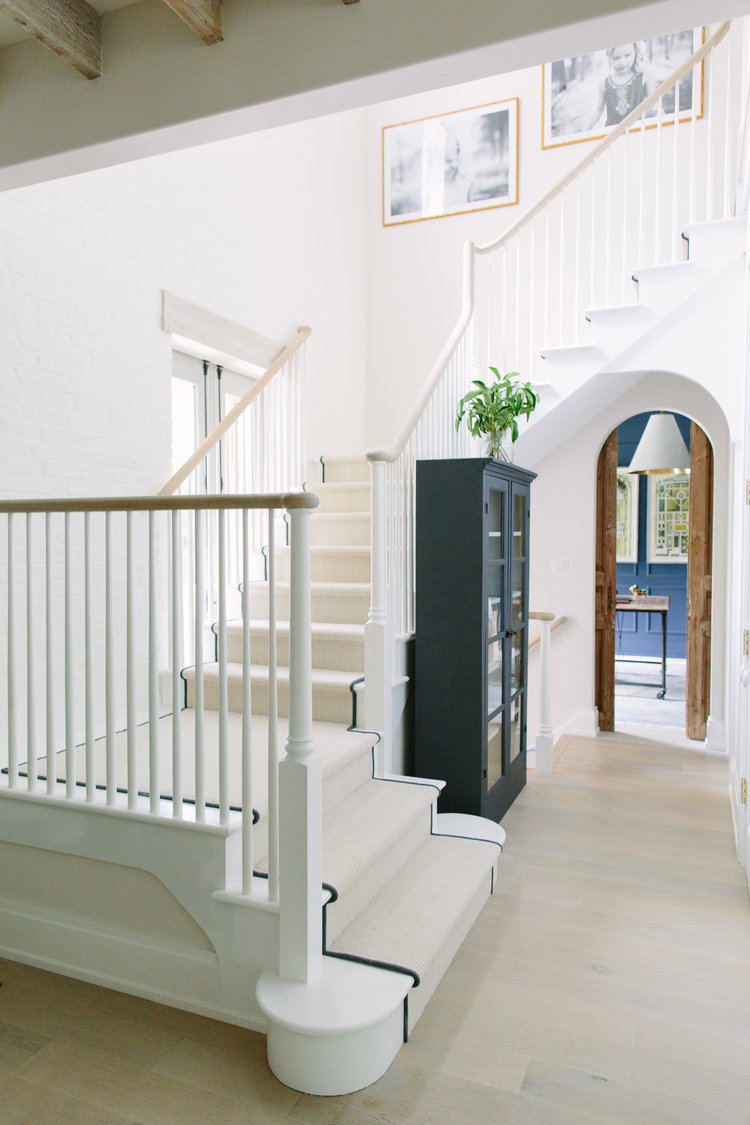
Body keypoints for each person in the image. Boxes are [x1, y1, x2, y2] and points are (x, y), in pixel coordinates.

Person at [588, 43, 653, 129]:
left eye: (627, 55)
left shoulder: (643, 77)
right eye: (616, 58)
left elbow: (654, 105)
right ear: (609, 58)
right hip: (613, 133)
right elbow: (598, 110)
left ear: (635, 53)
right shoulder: (604, 84)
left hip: (638, 129)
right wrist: (585, 130)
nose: (622, 62)